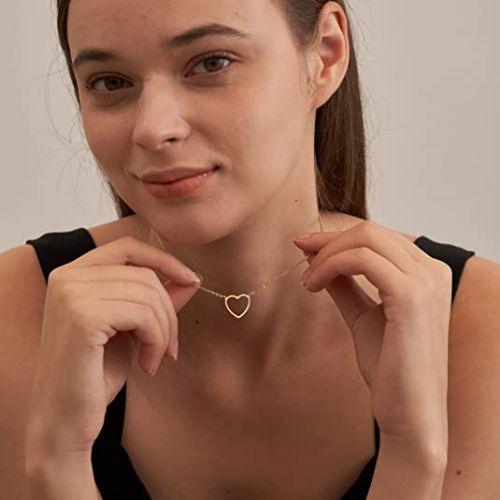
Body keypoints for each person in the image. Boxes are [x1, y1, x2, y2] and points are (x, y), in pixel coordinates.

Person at [2, 1, 496, 499]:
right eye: (110, 82)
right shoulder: (13, 314)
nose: (153, 128)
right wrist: (57, 461)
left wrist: (413, 451)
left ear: (326, 55)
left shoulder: (484, 332)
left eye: (211, 62)